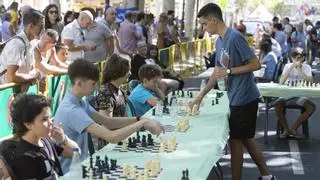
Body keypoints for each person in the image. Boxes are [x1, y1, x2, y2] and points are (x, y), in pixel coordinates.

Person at [191, 3, 275, 180]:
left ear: (214, 20)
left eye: (204, 24)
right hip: (235, 97)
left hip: (245, 97)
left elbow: (255, 64)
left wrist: (230, 71)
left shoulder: (235, 37)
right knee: (245, 139)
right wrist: (200, 96)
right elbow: (217, 72)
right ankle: (267, 175)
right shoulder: (220, 41)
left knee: (235, 141)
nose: (203, 28)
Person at [54, 58, 164, 173]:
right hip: (72, 172)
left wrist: (139, 118)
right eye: (93, 84)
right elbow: (112, 136)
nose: (96, 88)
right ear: (79, 83)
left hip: (81, 164)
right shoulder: (72, 109)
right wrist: (142, 123)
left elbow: (107, 121)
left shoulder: (79, 101)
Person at [0, 93, 79, 179]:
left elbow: (76, 154)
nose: (51, 122)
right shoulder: (24, 158)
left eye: (50, 117)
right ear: (28, 124)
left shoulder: (46, 141)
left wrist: (63, 140)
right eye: (44, 119)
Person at [275, 47, 315, 138]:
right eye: (295, 58)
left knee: (311, 107)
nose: (298, 60)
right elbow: (281, 81)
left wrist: (300, 69)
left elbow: (310, 82)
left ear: (303, 58)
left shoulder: (307, 67)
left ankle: (294, 128)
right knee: (277, 106)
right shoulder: (287, 66)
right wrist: (291, 67)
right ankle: (286, 129)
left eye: (300, 57)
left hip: (300, 96)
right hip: (286, 95)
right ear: (292, 58)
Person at [0, 8, 43, 89]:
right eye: (41, 26)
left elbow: (32, 70)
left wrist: (36, 75)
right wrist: (33, 77)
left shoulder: (32, 43)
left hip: (19, 94)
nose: (43, 30)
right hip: (6, 97)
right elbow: (11, 77)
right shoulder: (17, 44)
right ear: (30, 26)